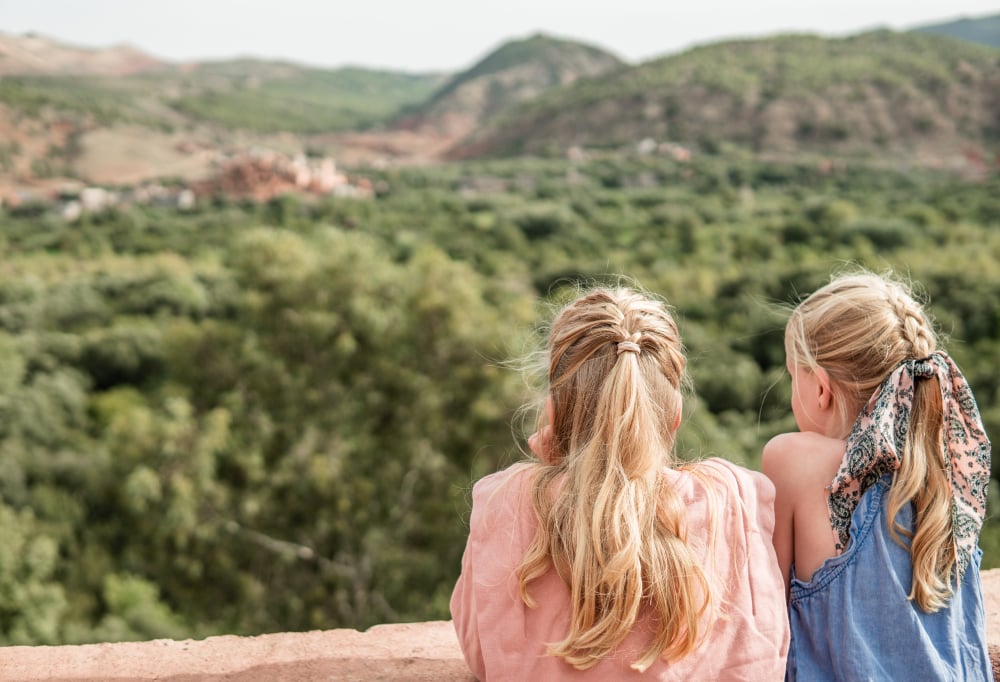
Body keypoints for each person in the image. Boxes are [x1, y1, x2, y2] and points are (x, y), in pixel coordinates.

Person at [450, 286, 789, 680]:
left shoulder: (503, 500)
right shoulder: (734, 497)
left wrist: (551, 476)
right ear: (675, 417)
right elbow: (771, 648)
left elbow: (479, 654)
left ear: (552, 415)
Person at [762, 272, 993, 681]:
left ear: (821, 389)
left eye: (792, 374)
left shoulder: (793, 460)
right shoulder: (946, 468)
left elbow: (765, 614)